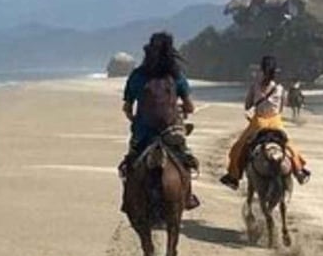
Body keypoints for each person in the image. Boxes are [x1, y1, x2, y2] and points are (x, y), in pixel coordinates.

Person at [120, 32, 201, 209]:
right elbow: (190, 107)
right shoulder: (176, 76)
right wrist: (182, 111)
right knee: (185, 160)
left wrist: (135, 119)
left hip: (143, 132)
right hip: (171, 132)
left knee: (129, 164)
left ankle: (128, 200)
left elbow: (127, 108)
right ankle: (187, 196)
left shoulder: (137, 75)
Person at [221, 55, 310, 189]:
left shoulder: (255, 86)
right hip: (276, 122)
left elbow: (247, 106)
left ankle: (233, 177)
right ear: (276, 71)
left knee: (238, 147)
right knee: (289, 147)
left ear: (261, 70)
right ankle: (299, 171)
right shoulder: (280, 89)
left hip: (259, 123)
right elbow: (281, 107)